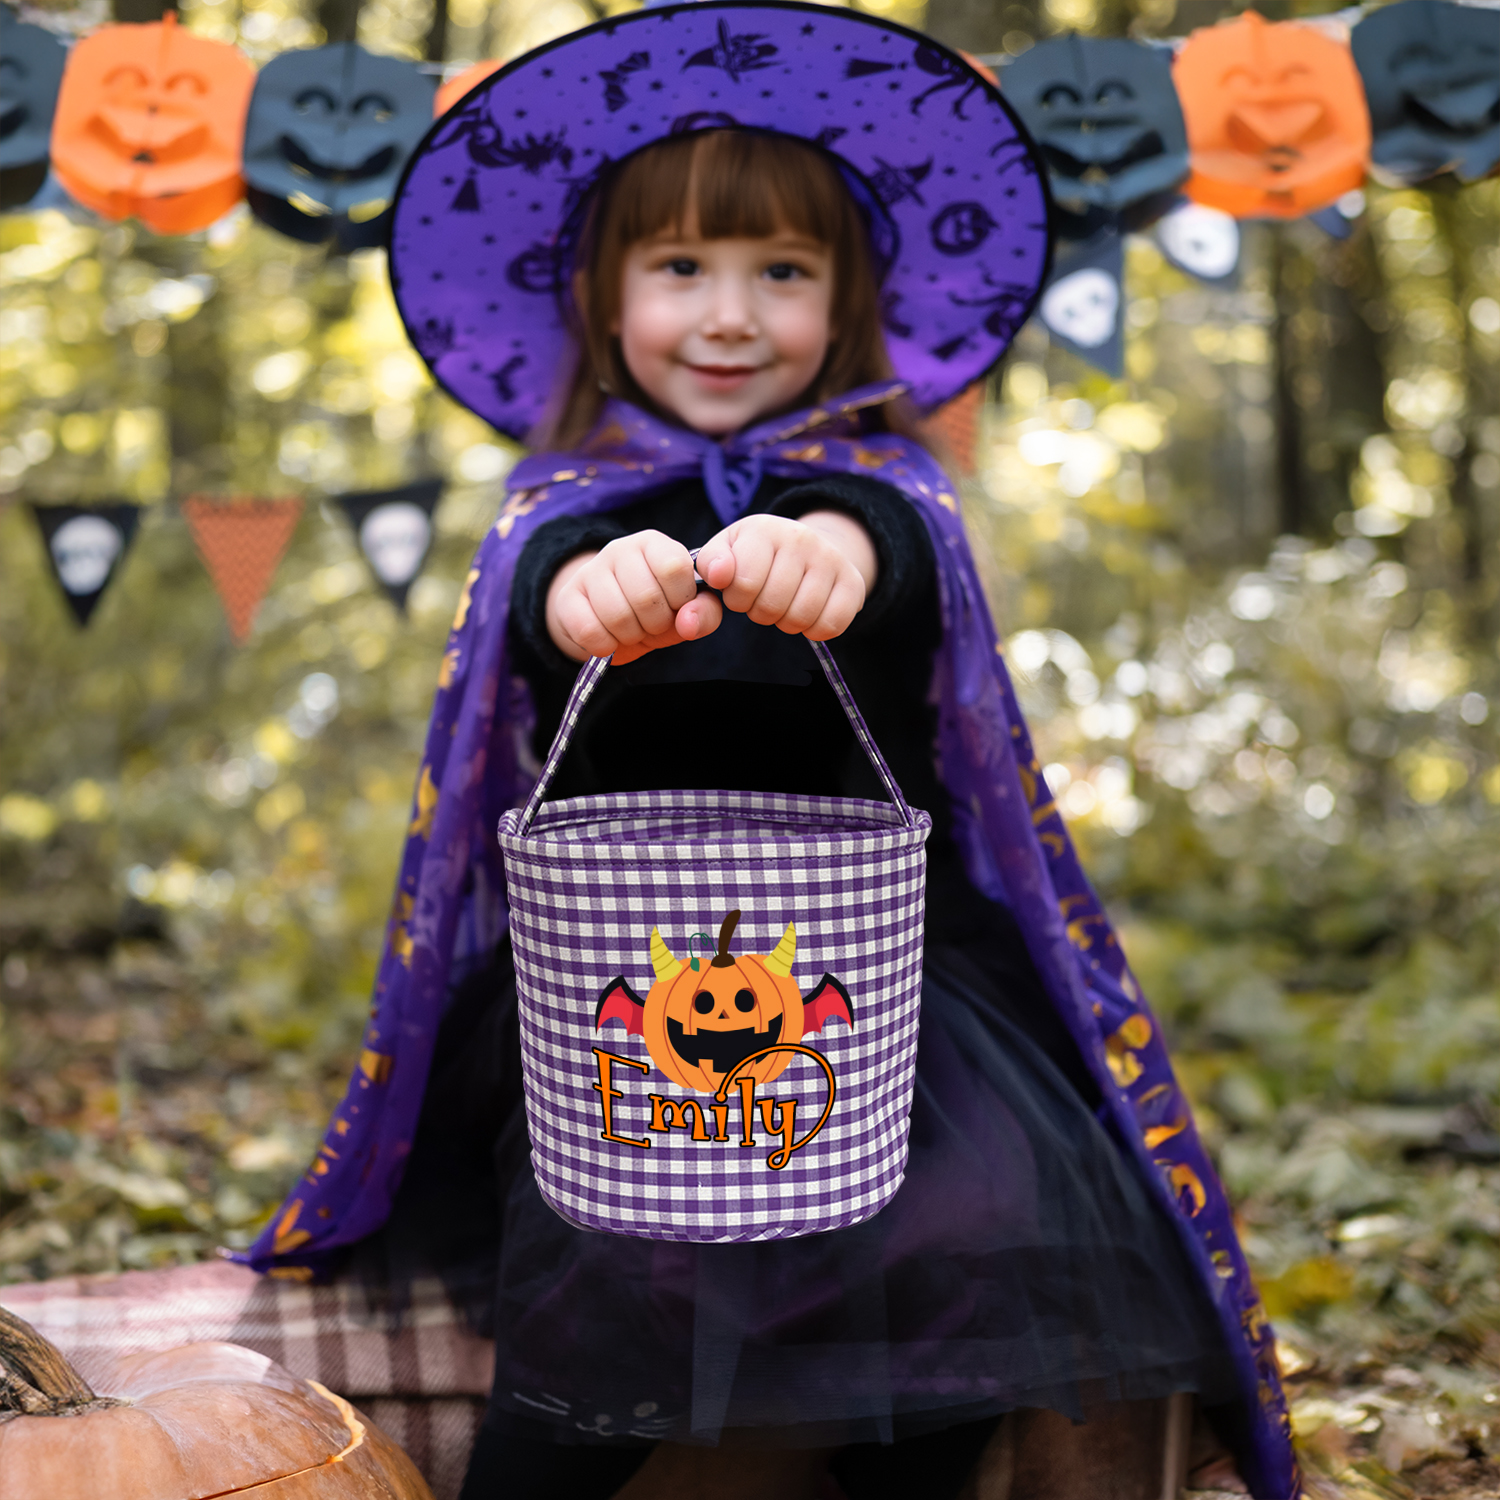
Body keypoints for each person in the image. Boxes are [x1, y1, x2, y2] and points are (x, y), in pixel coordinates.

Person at [242, 7, 1298, 1499]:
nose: (730, 316)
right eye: (682, 269)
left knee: (968, 1228)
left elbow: (892, 565)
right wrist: (591, 595)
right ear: (603, 303)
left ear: (845, 300)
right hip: (619, 994)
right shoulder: (570, 507)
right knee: (615, 1240)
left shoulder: (878, 495)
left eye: (781, 274)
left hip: (882, 990)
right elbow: (547, 606)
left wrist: (823, 548)